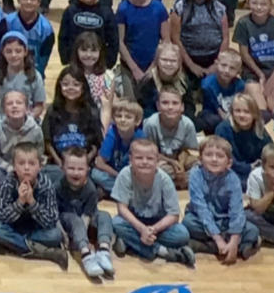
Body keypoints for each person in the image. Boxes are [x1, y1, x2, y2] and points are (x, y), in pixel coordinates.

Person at [111, 138, 195, 266]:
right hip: (135, 223)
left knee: (182, 234)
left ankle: (130, 244)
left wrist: (152, 230)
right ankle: (163, 251)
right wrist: (142, 229)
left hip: (157, 225)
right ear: (130, 159)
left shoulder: (165, 180)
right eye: (139, 158)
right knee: (116, 223)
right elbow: (122, 208)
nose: (144, 162)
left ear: (157, 161)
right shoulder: (124, 175)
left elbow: (173, 215)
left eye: (149, 159)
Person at [0, 143, 67, 266]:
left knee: (55, 235)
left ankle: (12, 246)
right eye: (21, 163)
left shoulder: (46, 185)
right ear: (14, 166)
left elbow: (51, 220)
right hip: (14, 228)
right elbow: (0, 215)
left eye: (31, 163)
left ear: (40, 166)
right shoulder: (8, 182)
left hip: (36, 230)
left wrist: (32, 202)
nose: (26, 168)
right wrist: (19, 203)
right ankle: (44, 252)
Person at [184, 136, 260, 263]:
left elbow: (236, 211)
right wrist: (218, 239)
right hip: (201, 220)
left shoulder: (233, 179)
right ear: (200, 159)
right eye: (208, 155)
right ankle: (237, 247)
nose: (214, 159)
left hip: (224, 220)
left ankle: (210, 246)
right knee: (187, 224)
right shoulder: (195, 175)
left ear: (229, 163)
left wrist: (234, 240)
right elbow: (201, 209)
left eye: (220, 156)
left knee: (253, 230)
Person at [59, 146, 117, 277]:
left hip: (85, 220)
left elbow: (88, 216)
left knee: (105, 215)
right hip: (67, 221)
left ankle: (104, 250)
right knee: (76, 220)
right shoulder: (59, 186)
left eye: (80, 169)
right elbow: (55, 216)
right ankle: (86, 255)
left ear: (87, 170)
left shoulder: (91, 189)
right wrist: (71, 239)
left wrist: (84, 235)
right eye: (71, 168)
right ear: (63, 169)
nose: (76, 173)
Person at [216, 93, 271, 183]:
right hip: (230, 170)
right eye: (238, 111)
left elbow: (269, 150)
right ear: (232, 112)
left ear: (254, 114)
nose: (242, 115)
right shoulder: (223, 128)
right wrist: (248, 168)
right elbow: (223, 157)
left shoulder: (259, 127)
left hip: (255, 170)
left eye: (247, 112)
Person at [91, 101, 144, 193]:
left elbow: (143, 162)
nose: (123, 120)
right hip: (114, 174)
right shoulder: (112, 133)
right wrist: (118, 175)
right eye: (119, 116)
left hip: (133, 175)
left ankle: (114, 191)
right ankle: (127, 193)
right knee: (95, 174)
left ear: (137, 121)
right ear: (113, 119)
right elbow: (99, 163)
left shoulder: (140, 136)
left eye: (128, 117)